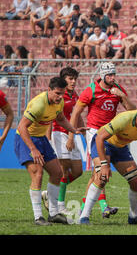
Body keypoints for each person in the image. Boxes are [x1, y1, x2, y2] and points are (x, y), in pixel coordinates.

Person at [14, 77, 86, 225]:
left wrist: (74, 130)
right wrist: (33, 149)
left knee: (57, 173)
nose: (60, 97)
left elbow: (60, 119)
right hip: (26, 139)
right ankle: (38, 217)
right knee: (38, 174)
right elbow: (22, 127)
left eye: (62, 93)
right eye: (57, 93)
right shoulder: (39, 104)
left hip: (41, 139)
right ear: (49, 90)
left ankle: (53, 214)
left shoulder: (58, 102)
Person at [68, 62, 136, 220]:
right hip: (94, 133)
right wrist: (72, 136)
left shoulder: (117, 88)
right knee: (100, 172)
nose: (112, 78)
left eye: (114, 74)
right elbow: (75, 113)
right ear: (102, 75)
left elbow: (133, 111)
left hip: (111, 133)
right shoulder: (91, 90)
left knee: (97, 174)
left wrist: (122, 96)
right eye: (109, 75)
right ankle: (95, 208)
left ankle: (88, 209)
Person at [42, 68, 83, 216]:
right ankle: (59, 205)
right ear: (63, 79)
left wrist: (81, 129)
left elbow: (76, 115)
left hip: (70, 132)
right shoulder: (59, 95)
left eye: (74, 79)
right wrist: (48, 138)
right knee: (64, 171)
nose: (73, 81)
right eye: (70, 78)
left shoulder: (75, 95)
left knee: (78, 171)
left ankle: (50, 192)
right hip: (59, 133)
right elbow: (50, 117)